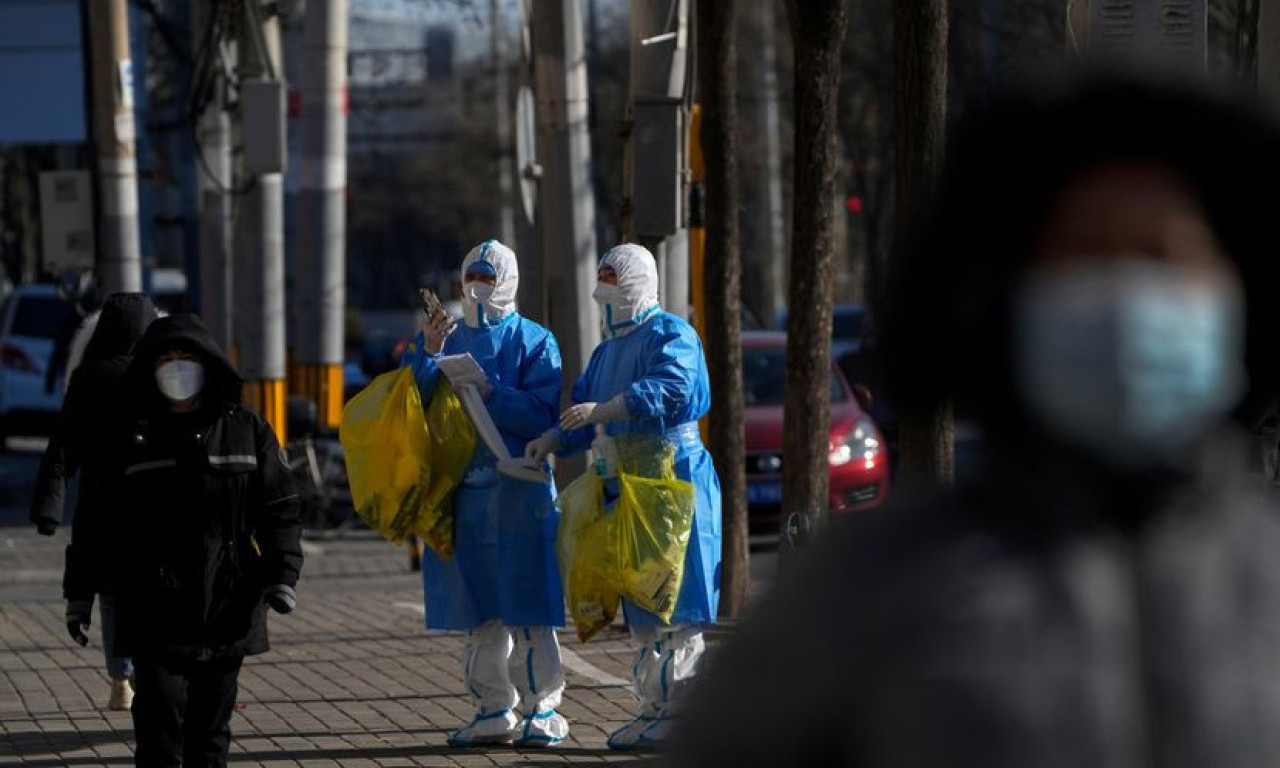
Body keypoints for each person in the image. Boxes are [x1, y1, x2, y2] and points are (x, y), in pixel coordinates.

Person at [668, 76, 1280, 767]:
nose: (1124, 290)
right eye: (1084, 251)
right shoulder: (865, 588)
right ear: (1006, 292)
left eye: (1165, 255)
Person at [525, 243, 723, 751]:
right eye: (603, 275)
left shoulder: (671, 334)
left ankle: (680, 712)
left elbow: (674, 389)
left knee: (671, 604)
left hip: (672, 484)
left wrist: (611, 406)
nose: (607, 286)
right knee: (643, 605)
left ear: (638, 280)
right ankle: (653, 706)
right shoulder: (606, 350)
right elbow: (583, 412)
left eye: (616, 276)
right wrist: (553, 439)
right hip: (628, 485)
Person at [83, 314, 303, 768]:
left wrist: (282, 575)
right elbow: (98, 518)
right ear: (149, 368)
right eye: (167, 359)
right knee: (159, 723)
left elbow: (279, 506)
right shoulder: (131, 434)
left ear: (208, 365)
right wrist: (78, 590)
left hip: (228, 601)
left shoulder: (245, 428)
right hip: (153, 605)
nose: (177, 369)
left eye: (186, 359)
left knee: (210, 732)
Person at [400, 239, 569, 747]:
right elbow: (413, 403)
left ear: (509, 282)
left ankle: (543, 708)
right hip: (465, 497)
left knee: (531, 608)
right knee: (479, 612)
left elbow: (542, 412)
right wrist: (428, 353)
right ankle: (492, 707)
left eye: (489, 279)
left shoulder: (536, 341)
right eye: (471, 277)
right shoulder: (446, 341)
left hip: (521, 493)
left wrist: (495, 394)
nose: (478, 288)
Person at [32, 293, 159, 711]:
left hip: (101, 500)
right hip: (151, 499)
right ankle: (148, 669)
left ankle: (119, 679)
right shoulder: (155, 374)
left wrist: (49, 508)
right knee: (152, 586)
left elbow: (63, 449)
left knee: (112, 592)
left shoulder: (88, 377)